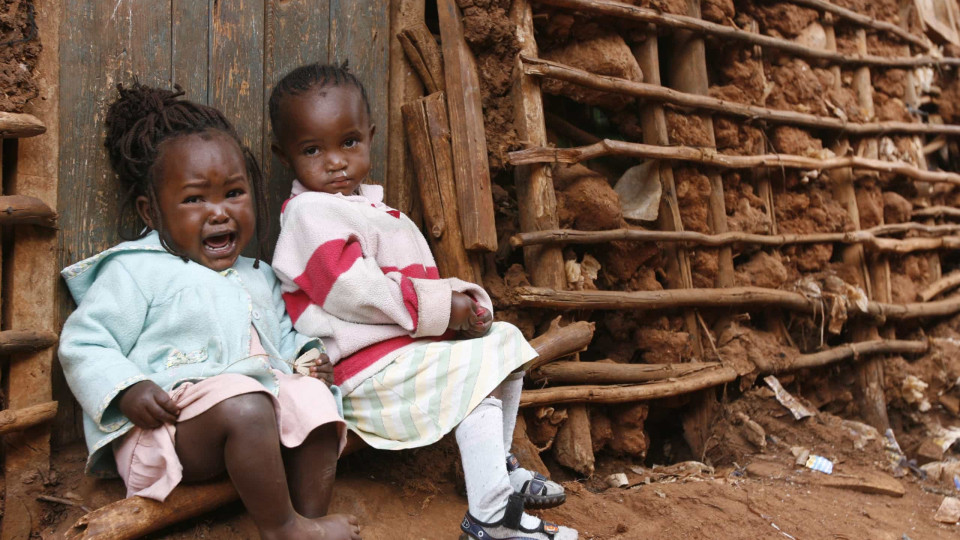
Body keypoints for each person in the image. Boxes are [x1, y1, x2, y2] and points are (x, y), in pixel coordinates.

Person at [268, 62, 577, 540]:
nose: (334, 161)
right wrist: (440, 309)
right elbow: (355, 292)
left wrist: (462, 305)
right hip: (361, 373)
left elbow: (400, 288)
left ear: (370, 136)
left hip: (401, 359)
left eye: (348, 142)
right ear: (285, 156)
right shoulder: (310, 214)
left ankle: (498, 469)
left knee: (505, 340)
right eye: (312, 149)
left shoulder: (370, 209)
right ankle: (492, 515)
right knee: (472, 376)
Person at [58, 82, 361, 540]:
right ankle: (282, 529)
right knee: (245, 405)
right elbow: (85, 342)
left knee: (315, 400)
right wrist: (126, 389)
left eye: (233, 193)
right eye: (195, 199)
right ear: (152, 211)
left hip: (256, 423)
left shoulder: (257, 274)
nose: (218, 213)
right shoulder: (136, 270)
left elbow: (282, 334)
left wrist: (308, 358)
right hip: (171, 433)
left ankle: (308, 518)